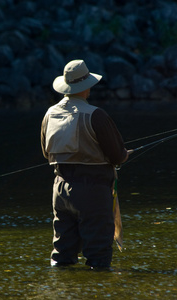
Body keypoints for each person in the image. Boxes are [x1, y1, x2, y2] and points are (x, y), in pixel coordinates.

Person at [40, 59, 131, 269]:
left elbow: (46, 153)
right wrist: (125, 155)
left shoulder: (49, 114)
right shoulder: (96, 115)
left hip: (60, 190)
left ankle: (63, 289)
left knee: (62, 254)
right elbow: (117, 156)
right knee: (98, 257)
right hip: (93, 192)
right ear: (87, 87)